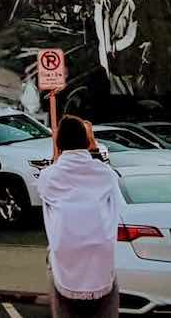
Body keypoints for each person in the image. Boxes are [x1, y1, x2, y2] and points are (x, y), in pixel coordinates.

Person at [39, 116, 120, 318]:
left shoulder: (49, 177)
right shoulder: (106, 174)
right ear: (86, 140)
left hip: (65, 261)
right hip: (101, 261)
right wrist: (92, 146)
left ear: (59, 142)